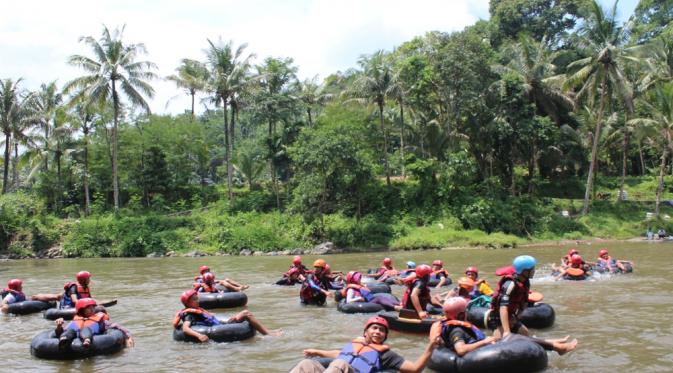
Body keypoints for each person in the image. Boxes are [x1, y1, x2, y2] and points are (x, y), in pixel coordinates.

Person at [432, 297, 577, 357]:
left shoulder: (453, 325)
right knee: (515, 337)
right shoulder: (456, 330)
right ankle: (557, 348)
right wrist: (486, 341)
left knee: (516, 337)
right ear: (461, 314)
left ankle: (554, 343)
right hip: (481, 353)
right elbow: (461, 349)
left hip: (484, 347)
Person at [289, 316, 440, 373]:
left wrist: (430, 346)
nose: (378, 332)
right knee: (307, 364)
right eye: (374, 328)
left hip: (350, 371)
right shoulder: (356, 344)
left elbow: (414, 369)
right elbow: (340, 354)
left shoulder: (386, 354)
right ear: (365, 332)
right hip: (338, 368)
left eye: (382, 331)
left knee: (340, 364)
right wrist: (318, 352)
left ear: (385, 336)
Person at [173, 289, 281, 342]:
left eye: (197, 298)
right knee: (246, 313)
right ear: (187, 303)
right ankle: (267, 334)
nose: (198, 301)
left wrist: (230, 318)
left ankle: (268, 332)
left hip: (220, 324)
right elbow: (186, 328)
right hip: (219, 328)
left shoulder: (198, 309)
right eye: (194, 300)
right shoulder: (189, 314)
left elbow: (211, 316)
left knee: (244, 314)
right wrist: (199, 336)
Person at [486, 255, 536, 338]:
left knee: (525, 334)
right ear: (524, 271)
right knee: (499, 341)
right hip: (497, 317)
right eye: (532, 269)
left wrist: (515, 318)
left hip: (511, 315)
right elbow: (503, 308)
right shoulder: (510, 284)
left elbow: (523, 303)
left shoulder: (525, 282)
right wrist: (506, 331)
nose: (534, 271)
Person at [55, 298, 134, 349]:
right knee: (70, 331)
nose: (92, 309)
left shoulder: (100, 321)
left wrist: (128, 337)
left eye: (93, 307)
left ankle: (87, 340)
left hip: (90, 338)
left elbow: (117, 327)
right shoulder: (75, 321)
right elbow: (62, 332)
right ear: (82, 310)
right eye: (89, 308)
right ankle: (64, 341)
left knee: (86, 330)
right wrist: (59, 327)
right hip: (73, 337)